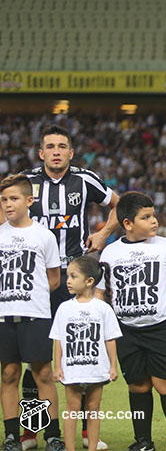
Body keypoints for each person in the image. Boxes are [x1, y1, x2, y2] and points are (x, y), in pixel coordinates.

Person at [21, 124, 120, 451]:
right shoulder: (27, 182)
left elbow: (120, 205)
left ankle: (85, 434)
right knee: (37, 358)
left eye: (62, 146)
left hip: (76, 279)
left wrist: (104, 234)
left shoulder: (85, 179)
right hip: (37, 282)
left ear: (71, 152)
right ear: (41, 152)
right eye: (50, 146)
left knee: (81, 355)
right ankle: (31, 432)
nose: (56, 151)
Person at [97, 192, 166, 451]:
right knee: (138, 386)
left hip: (163, 328)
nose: (154, 221)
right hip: (126, 331)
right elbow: (101, 293)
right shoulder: (110, 252)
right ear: (127, 223)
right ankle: (143, 441)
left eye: (153, 215)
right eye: (146, 217)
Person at [0, 174, 64, 451]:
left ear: (29, 200)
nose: (7, 204)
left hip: (36, 315)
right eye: (3, 200)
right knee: (9, 374)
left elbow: (54, 279)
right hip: (4, 316)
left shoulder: (44, 235)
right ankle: (12, 435)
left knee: (43, 374)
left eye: (13, 199)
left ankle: (53, 435)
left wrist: (31, 298)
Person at [49, 256, 122, 451]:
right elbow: (58, 339)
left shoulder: (103, 309)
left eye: (73, 276)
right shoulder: (64, 308)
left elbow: (110, 339)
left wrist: (113, 366)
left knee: (93, 410)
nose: (68, 281)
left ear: (90, 281)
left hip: (96, 368)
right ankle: (70, 448)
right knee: (72, 410)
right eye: (68, 276)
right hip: (72, 368)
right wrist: (57, 366)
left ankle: (91, 447)